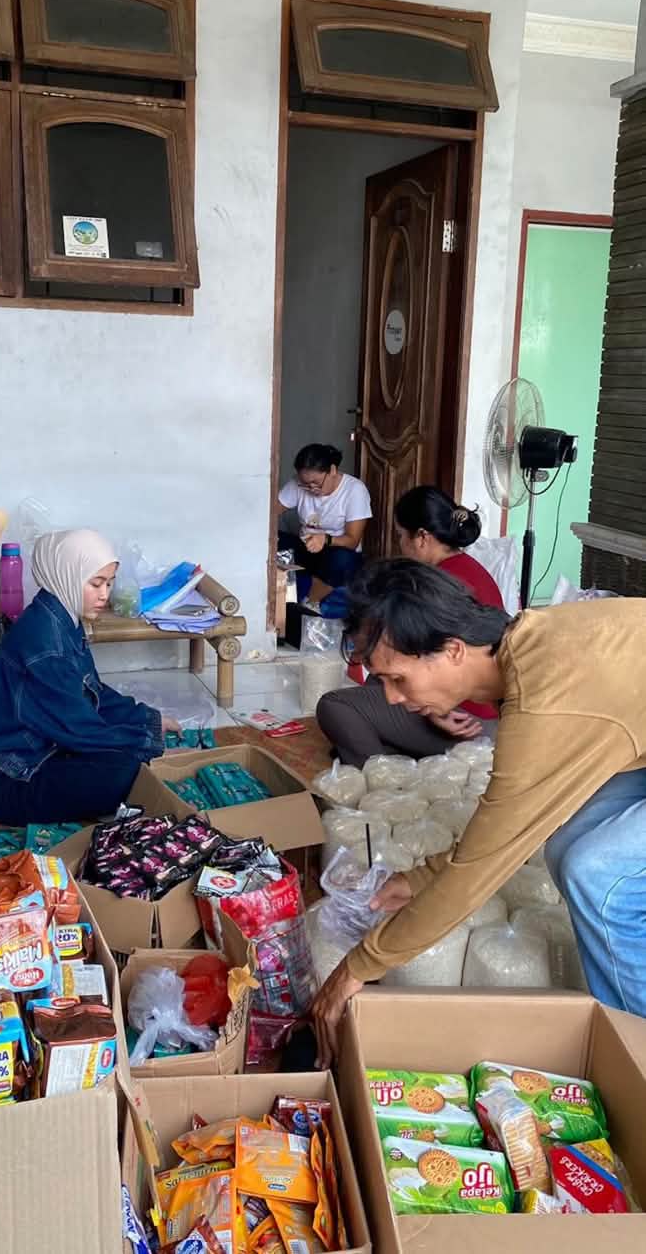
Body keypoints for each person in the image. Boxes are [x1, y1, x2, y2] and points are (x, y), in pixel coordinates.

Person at [311, 559, 646, 1067]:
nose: (394, 699)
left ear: (452, 650)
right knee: (564, 838)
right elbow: (507, 828)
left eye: (398, 679)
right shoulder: (531, 644)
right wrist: (423, 876)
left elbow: (481, 871)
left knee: (598, 874)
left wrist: (360, 966)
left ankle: (633, 1050)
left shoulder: (546, 700)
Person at [0, 529, 178, 825]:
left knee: (126, 751)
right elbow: (80, 729)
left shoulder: (60, 615)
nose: (104, 595)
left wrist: (147, 720)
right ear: (67, 576)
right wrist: (146, 741)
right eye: (95, 584)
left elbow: (92, 690)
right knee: (124, 770)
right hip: (6, 778)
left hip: (36, 749)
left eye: (109, 584)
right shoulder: (47, 646)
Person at [317, 486, 504, 765]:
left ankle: (385, 777)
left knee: (336, 706)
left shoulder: (428, 588)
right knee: (381, 676)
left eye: (401, 535)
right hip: (475, 709)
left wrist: (434, 711)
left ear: (422, 537)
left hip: (469, 721)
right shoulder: (468, 570)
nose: (400, 544)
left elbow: (439, 663)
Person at [278, 443, 371, 608]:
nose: (311, 488)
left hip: (336, 549)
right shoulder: (297, 484)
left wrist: (325, 539)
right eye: (305, 484)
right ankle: (285, 597)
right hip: (306, 546)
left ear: (332, 470)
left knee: (343, 561)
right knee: (275, 540)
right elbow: (270, 513)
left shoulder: (354, 490)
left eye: (316, 483)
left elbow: (352, 540)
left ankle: (308, 602)